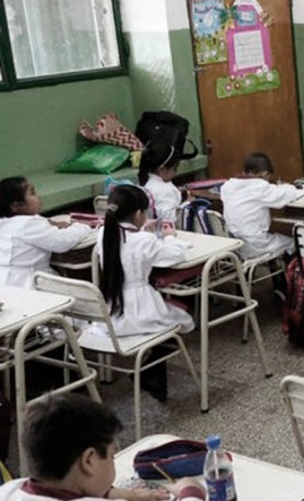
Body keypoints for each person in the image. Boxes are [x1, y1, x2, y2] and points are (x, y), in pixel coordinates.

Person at [0, 393, 205, 501]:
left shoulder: (9, 490)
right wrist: (190, 490)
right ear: (89, 460)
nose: (112, 463)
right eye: (111, 456)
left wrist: (126, 494)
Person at [96, 185, 194, 402]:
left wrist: (143, 232)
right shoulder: (144, 240)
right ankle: (151, 369)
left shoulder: (105, 233)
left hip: (111, 314)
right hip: (141, 311)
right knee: (184, 318)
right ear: (140, 214)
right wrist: (169, 236)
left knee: (172, 316)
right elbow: (175, 256)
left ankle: (153, 374)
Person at [0, 177, 92, 289]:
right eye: (32, 193)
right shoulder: (30, 224)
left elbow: (26, 228)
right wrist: (82, 226)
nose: (38, 196)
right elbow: (63, 241)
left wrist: (49, 223)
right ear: (17, 206)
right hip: (26, 283)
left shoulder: (5, 223)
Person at [220, 152, 304, 259]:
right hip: (255, 245)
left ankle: (282, 273)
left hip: (234, 244)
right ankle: (290, 273)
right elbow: (287, 195)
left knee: (276, 238)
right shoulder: (260, 187)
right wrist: (289, 187)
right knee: (294, 243)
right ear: (265, 174)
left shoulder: (227, 186)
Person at [139, 142, 183, 224]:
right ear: (162, 169)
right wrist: (187, 204)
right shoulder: (165, 190)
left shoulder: (144, 183)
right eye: (175, 168)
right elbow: (169, 220)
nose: (176, 173)